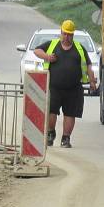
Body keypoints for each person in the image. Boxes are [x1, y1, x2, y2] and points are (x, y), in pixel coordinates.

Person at [33, 19, 97, 148]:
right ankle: (51, 133)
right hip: (53, 87)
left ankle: (66, 138)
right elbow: (36, 50)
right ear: (61, 32)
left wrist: (92, 81)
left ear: (73, 35)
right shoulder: (52, 44)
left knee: (70, 114)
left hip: (73, 88)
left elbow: (88, 65)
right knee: (51, 111)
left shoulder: (79, 48)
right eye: (65, 33)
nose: (67, 37)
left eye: (70, 34)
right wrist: (47, 57)